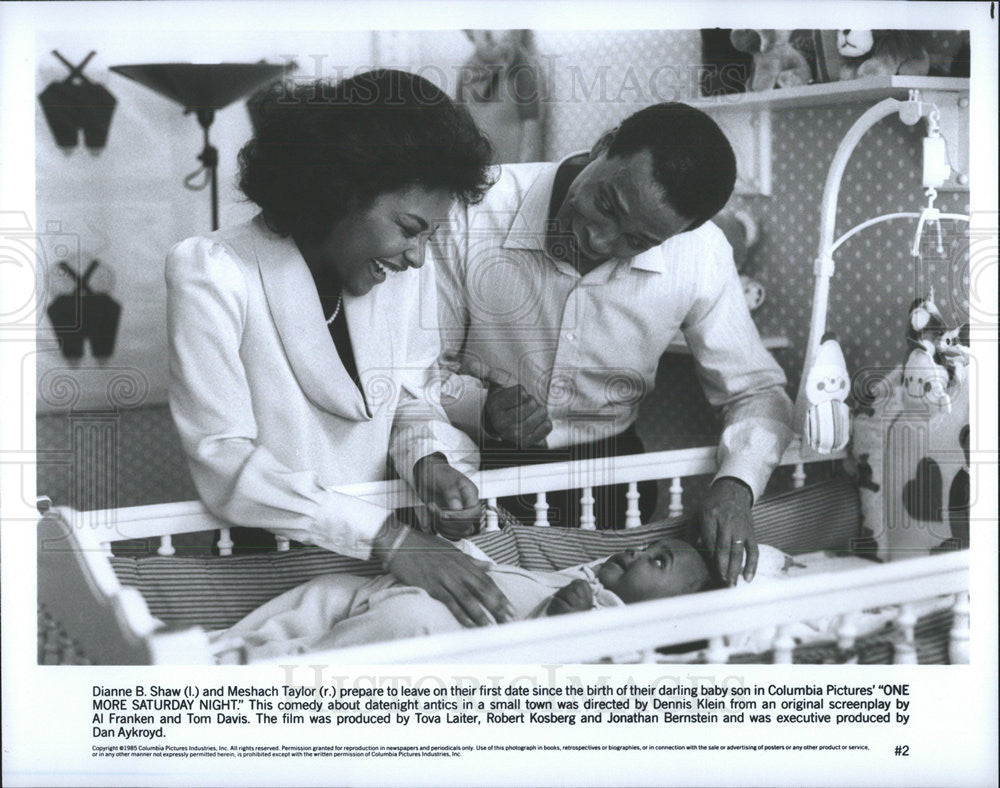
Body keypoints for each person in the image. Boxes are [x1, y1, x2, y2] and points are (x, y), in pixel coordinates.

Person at [166, 70, 514, 628]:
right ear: (338, 192)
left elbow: (405, 396)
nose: (419, 257)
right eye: (409, 229)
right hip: (275, 561)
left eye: (430, 236)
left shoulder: (398, 274)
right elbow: (224, 459)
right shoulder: (213, 270)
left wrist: (426, 461)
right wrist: (391, 541)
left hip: (390, 562)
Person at [431, 102, 794, 586]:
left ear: (679, 234)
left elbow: (756, 390)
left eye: (637, 240)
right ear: (604, 146)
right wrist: (482, 408)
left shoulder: (701, 252)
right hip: (476, 472)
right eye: (606, 204)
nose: (600, 240)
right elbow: (413, 371)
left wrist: (737, 483)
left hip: (613, 481)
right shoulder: (475, 209)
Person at [212, 536, 716, 660]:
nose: (637, 549)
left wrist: (567, 619)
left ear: (674, 610)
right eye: (646, 544)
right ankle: (226, 651)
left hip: (438, 620)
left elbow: (557, 661)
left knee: (411, 622)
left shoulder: (616, 622)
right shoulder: (587, 572)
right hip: (402, 585)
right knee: (325, 591)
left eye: (658, 561)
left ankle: (268, 685)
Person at [456, 29, 545, 164]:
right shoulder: (467, 69)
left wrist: (524, 170)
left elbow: (531, 126)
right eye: (483, 31)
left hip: (511, 169)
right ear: (469, 34)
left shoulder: (522, 67)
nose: (490, 36)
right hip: (477, 167)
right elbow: (459, 123)